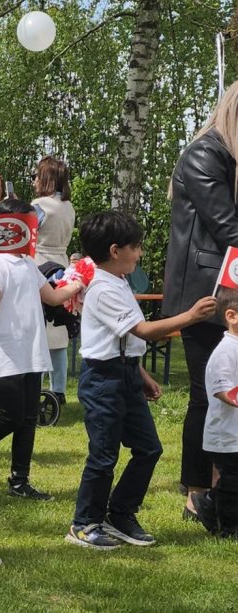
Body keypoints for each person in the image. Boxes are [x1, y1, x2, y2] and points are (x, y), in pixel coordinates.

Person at [66, 211, 216, 550]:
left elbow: (126, 341)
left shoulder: (118, 281)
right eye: (137, 247)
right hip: (103, 380)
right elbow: (142, 330)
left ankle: (120, 514)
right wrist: (190, 317)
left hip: (126, 374)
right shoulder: (103, 288)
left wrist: (141, 374)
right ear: (116, 250)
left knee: (149, 448)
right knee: (103, 455)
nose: (140, 254)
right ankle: (84, 523)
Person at [0, 199, 84, 500]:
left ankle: (19, 480)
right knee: (10, 416)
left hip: (32, 351)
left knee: (29, 417)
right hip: (4, 352)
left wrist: (80, 279)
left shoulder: (28, 263)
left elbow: (53, 297)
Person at [164, 82, 238, 520]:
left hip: (224, 289)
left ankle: (221, 484)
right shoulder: (204, 155)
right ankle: (197, 490)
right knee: (206, 393)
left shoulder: (224, 157)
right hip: (203, 295)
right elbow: (228, 228)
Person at [191, 286, 238, 540]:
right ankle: (226, 526)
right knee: (232, 483)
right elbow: (223, 390)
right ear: (232, 316)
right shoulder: (225, 351)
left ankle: (207, 503)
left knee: (233, 482)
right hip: (226, 434)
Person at [32, 156, 77, 406]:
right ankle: (58, 390)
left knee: (38, 333)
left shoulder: (39, 206)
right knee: (59, 332)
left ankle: (37, 389)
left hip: (39, 263)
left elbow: (26, 233)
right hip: (62, 265)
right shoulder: (69, 207)